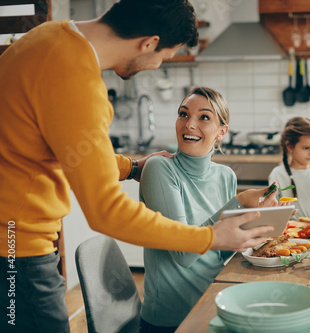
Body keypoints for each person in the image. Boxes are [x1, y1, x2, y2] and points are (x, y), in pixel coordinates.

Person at [0, 1, 272, 332]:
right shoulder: (77, 81)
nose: (157, 66)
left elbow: (63, 152)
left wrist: (131, 167)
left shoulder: (48, 37)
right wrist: (209, 237)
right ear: (148, 43)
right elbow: (106, 212)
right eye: (163, 57)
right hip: (15, 245)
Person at [139, 87, 287, 331]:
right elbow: (185, 254)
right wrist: (238, 203)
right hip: (172, 321)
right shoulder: (159, 169)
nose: (189, 125)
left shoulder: (225, 175)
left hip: (216, 302)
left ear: (221, 133)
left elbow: (221, 252)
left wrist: (260, 226)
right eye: (183, 114)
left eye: (204, 117)